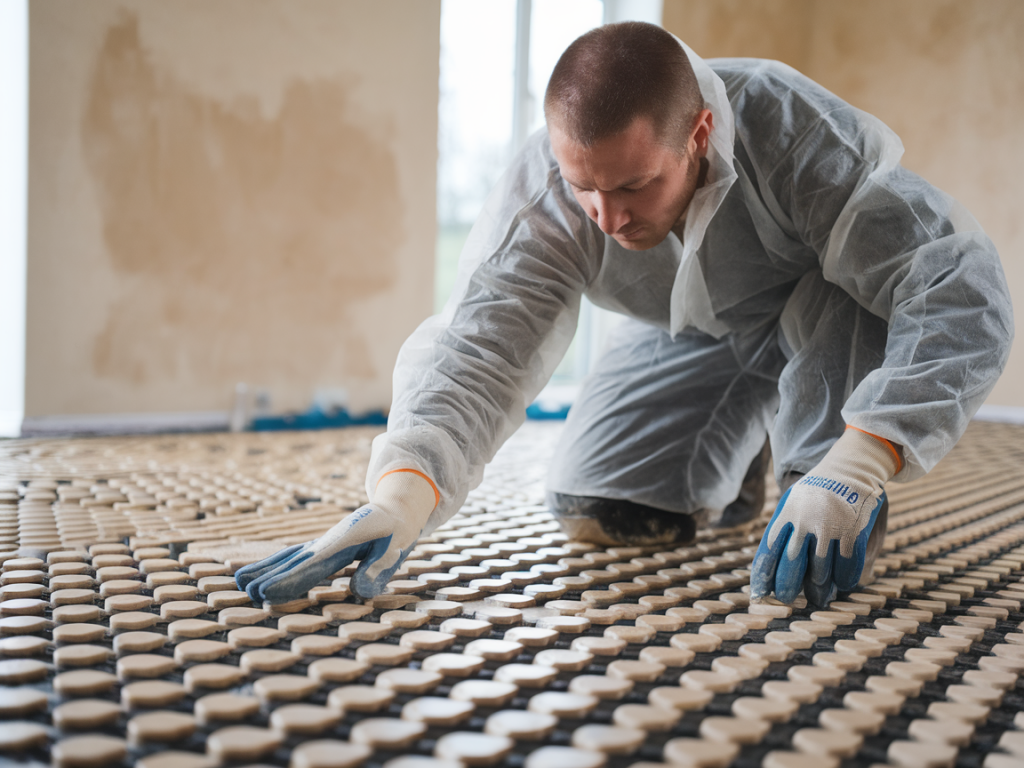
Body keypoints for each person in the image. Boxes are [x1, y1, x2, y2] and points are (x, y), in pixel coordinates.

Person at [237, 22, 1012, 608]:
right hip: (698, 334)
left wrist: (864, 458)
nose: (605, 218)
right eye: (586, 188)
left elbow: (956, 286)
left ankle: (815, 465)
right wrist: (400, 496)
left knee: (810, 553)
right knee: (600, 504)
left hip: (825, 318)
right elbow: (481, 348)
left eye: (634, 186)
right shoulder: (548, 188)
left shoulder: (795, 134)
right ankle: (742, 457)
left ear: (698, 135)